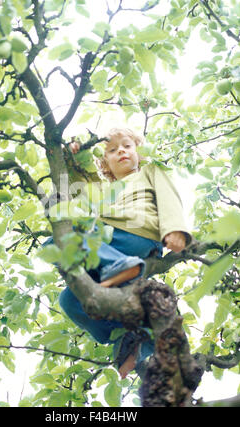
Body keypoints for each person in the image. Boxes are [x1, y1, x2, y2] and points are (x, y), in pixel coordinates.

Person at [58, 128, 191, 379]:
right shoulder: (106, 190)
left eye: (127, 146)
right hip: (106, 244)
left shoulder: (149, 172)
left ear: (138, 153)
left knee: (64, 239)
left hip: (136, 232)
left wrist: (175, 230)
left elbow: (168, 197)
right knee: (69, 300)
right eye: (112, 150)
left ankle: (121, 267)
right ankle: (130, 337)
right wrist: (75, 155)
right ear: (105, 163)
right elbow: (80, 184)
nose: (121, 150)